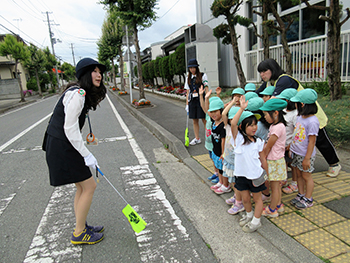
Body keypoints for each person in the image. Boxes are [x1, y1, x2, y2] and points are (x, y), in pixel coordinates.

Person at [42, 58, 106, 245]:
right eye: (94, 71)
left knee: (82, 186)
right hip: (63, 146)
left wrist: (84, 150)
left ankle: (81, 226)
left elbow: (71, 129)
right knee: (89, 186)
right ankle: (79, 233)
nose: (99, 75)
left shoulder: (79, 93)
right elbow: (69, 128)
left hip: (62, 145)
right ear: (85, 75)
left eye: (99, 71)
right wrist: (86, 154)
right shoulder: (78, 94)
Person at [255, 58, 341, 177]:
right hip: (297, 116)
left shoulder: (284, 79)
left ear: (272, 69)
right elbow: (257, 93)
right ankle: (296, 164)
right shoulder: (270, 82)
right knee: (299, 140)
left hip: (311, 114)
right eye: (260, 72)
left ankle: (334, 164)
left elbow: (272, 101)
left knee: (321, 140)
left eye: (264, 71)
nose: (262, 74)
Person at [230, 96, 268, 233]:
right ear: (242, 127)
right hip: (241, 175)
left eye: (255, 124)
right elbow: (233, 124)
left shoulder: (259, 141)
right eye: (250, 125)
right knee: (245, 199)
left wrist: (267, 173)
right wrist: (241, 109)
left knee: (257, 199)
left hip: (255, 175)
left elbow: (263, 158)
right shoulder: (238, 139)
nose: (254, 128)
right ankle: (249, 215)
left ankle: (256, 222)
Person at [289, 89, 320, 209]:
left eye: (297, 103)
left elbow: (312, 141)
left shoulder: (313, 121)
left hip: (305, 155)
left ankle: (308, 198)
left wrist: (307, 158)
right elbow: (297, 133)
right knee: (298, 174)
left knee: (306, 176)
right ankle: (300, 194)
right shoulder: (300, 117)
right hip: (296, 152)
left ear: (302, 104)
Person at [260, 99, 288, 218]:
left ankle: (272, 210)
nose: (265, 117)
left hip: (274, 160)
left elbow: (268, 146)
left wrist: (263, 158)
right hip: (277, 159)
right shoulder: (275, 126)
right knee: (276, 186)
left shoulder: (277, 128)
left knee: (275, 187)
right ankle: (278, 205)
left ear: (276, 113)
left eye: (266, 114)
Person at [199, 89, 230, 194]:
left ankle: (226, 185)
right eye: (211, 112)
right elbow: (206, 109)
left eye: (216, 111)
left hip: (221, 152)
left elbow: (223, 140)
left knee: (223, 170)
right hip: (215, 150)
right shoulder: (213, 121)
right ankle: (221, 183)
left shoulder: (223, 124)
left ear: (221, 111)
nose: (213, 114)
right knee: (219, 169)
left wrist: (223, 153)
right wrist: (206, 98)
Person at [222, 96, 244, 215]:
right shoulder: (228, 128)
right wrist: (232, 102)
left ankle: (239, 203)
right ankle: (237, 197)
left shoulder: (239, 132)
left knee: (236, 183)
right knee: (233, 182)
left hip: (237, 163)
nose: (230, 120)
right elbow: (224, 114)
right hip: (229, 159)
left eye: (233, 119)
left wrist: (241, 108)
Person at [276, 89, 299, 194]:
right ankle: (283, 179)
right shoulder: (283, 111)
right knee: (283, 162)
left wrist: (291, 144)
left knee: (294, 165)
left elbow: (297, 131)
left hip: (291, 145)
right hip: (282, 144)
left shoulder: (295, 114)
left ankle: (295, 183)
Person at [200, 87, 222, 184]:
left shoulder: (214, 119)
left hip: (215, 144)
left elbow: (218, 106)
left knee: (217, 160)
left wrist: (216, 95)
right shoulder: (208, 116)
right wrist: (202, 96)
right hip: (209, 143)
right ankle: (216, 173)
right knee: (212, 159)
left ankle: (219, 175)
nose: (212, 112)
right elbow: (204, 107)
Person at [185, 59, 209, 146]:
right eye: (190, 68)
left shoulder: (203, 75)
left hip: (201, 99)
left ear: (196, 67)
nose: (192, 69)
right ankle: (197, 138)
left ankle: (208, 137)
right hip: (192, 101)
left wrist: (207, 99)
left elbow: (206, 88)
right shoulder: (187, 78)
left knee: (204, 119)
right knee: (195, 120)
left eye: (194, 67)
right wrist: (187, 104)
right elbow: (188, 92)